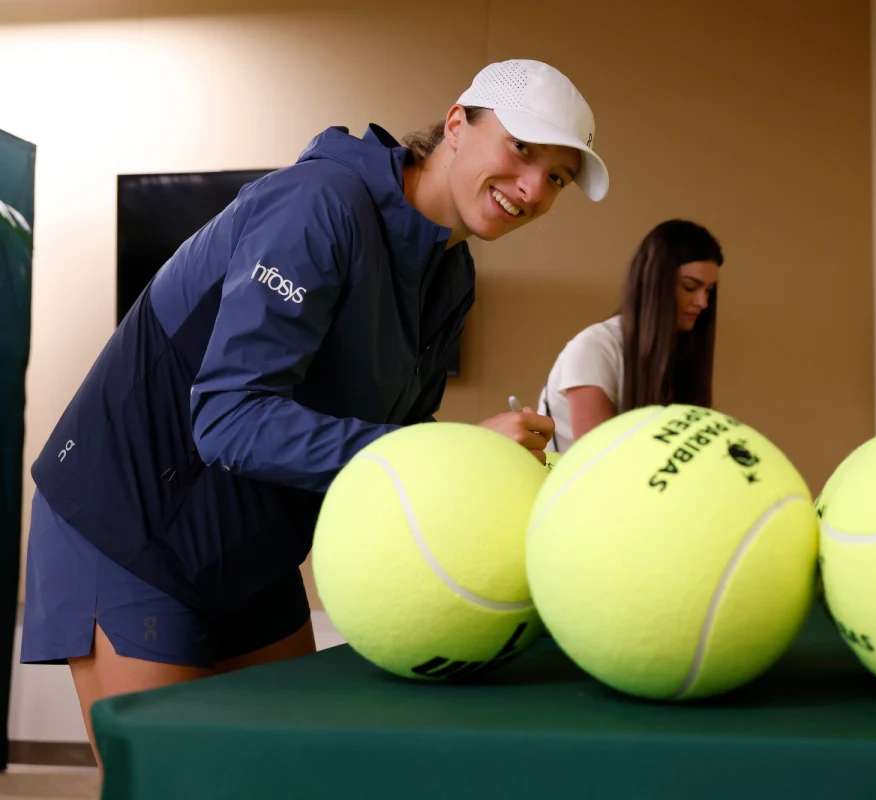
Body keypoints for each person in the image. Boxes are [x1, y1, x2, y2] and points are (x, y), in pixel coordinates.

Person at [20, 58, 609, 768]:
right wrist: (450, 450)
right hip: (129, 522)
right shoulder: (319, 205)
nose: (532, 189)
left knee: (288, 776)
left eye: (557, 179)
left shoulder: (452, 276)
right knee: (181, 785)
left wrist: (479, 479)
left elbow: (385, 453)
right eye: (523, 150)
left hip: (250, 542)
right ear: (458, 123)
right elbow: (230, 418)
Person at [537, 219, 722, 451]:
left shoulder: (682, 350)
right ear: (656, 283)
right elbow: (600, 461)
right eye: (689, 287)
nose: (703, 302)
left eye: (709, 290)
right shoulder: (593, 349)